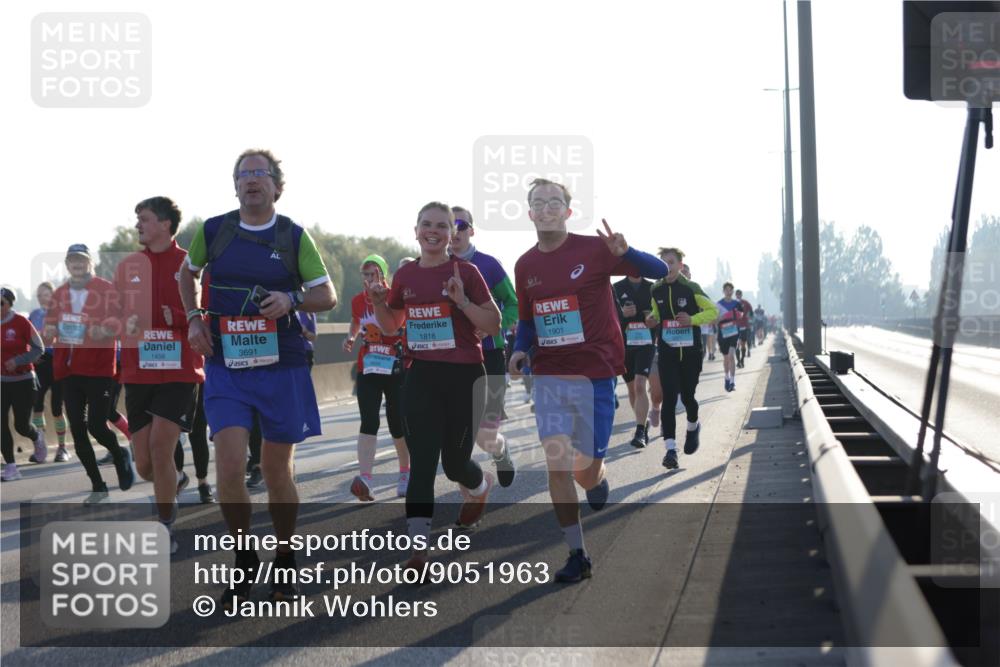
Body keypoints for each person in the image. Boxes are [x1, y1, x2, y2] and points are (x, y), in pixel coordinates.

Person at [181, 149, 336, 607]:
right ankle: (245, 553)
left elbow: (325, 294)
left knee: (274, 469)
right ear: (234, 186)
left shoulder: (292, 235)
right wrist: (193, 317)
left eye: (260, 174)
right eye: (243, 175)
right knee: (228, 465)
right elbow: (184, 274)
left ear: (276, 186)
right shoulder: (214, 230)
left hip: (281, 363)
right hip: (226, 363)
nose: (251, 181)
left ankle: (285, 555)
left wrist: (291, 299)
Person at [508, 178, 667, 583]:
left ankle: (598, 477)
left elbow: (660, 270)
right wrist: (520, 349)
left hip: (595, 373)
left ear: (567, 210)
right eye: (538, 202)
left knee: (584, 471)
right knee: (557, 466)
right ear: (529, 213)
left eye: (554, 201)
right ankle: (577, 554)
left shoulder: (596, 250)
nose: (546, 208)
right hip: (550, 376)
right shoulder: (525, 265)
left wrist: (627, 253)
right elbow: (528, 321)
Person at [367, 201, 500, 573]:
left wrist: (462, 301)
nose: (434, 231)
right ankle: (419, 551)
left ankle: (478, 485)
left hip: (464, 377)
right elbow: (392, 324)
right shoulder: (406, 274)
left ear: (451, 234)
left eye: (442, 225)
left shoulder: (467, 271)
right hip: (421, 375)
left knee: (455, 463)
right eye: (427, 224)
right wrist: (380, 303)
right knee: (422, 464)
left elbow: (492, 324)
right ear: (416, 230)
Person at [107, 196, 205, 553]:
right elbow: (113, 314)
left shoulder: (189, 264)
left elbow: (207, 313)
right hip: (138, 372)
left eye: (144, 219)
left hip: (180, 370)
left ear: (164, 224)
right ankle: (176, 479)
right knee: (146, 463)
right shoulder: (128, 266)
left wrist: (176, 318)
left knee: (162, 449)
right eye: (137, 219)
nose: (137, 226)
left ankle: (165, 528)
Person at [46, 245, 136, 503]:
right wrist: (49, 332)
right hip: (69, 370)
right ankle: (98, 486)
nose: (77, 264)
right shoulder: (60, 293)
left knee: (97, 425)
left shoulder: (106, 289)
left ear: (89, 263)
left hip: (98, 369)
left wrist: (104, 330)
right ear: (67, 264)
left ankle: (119, 454)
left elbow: (121, 321)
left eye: (81, 260)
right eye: (72, 260)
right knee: (77, 428)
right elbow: (51, 324)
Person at [449, 206, 519, 486]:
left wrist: (494, 325)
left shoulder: (489, 265)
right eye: (449, 226)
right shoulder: (434, 267)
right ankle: (472, 492)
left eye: (461, 225)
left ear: (472, 230)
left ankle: (501, 452)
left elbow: (513, 304)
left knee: (486, 436)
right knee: (457, 436)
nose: (455, 232)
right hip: (452, 359)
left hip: (489, 354)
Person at [344, 254, 410, 501]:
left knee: (397, 422)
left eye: (374, 273)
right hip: (368, 367)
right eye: (365, 274)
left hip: (395, 368)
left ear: (384, 275)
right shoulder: (357, 301)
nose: (369, 279)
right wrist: (351, 337)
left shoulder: (395, 296)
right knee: (369, 420)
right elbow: (355, 320)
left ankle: (405, 472)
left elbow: (394, 325)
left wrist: (380, 300)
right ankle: (366, 479)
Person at [645, 248, 718, 469]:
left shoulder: (690, 288)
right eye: (663, 263)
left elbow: (714, 312)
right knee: (668, 398)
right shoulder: (655, 289)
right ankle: (670, 450)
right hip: (667, 351)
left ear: (680, 264)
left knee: (688, 397)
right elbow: (656, 314)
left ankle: (693, 427)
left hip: (691, 353)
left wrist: (693, 319)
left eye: (671, 262)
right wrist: (651, 319)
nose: (667, 267)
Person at [2, 287, 47, 480]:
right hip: (1, 382)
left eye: (1, 302)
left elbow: (40, 349)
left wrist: (18, 360)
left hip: (24, 380)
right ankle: (11, 467)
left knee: (21, 425)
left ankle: (37, 437)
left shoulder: (21, 322)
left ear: (10, 304)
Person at [612, 274, 655, 448]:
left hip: (646, 343)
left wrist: (652, 319)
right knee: (631, 389)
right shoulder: (616, 287)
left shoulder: (652, 287)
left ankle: (639, 431)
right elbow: (609, 316)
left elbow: (660, 314)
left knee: (639, 385)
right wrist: (622, 314)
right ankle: (643, 423)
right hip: (625, 343)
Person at [29, 282, 70, 461]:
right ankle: (41, 448)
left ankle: (62, 448)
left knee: (56, 407)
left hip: (58, 361)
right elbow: (27, 338)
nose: (41, 297)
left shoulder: (61, 314)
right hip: (40, 363)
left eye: (44, 294)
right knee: (37, 406)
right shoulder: (34, 315)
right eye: (39, 294)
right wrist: (31, 354)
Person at [716, 283, 741, 392]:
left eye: (730, 290)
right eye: (726, 290)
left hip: (734, 333)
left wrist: (736, 315)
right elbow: (715, 320)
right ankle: (726, 377)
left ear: (732, 291)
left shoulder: (737, 303)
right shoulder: (718, 304)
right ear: (723, 291)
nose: (728, 292)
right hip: (723, 334)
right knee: (726, 358)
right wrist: (725, 316)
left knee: (731, 356)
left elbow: (741, 316)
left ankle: (732, 381)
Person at [734, 289, 753, 366]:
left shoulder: (745, 303)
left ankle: (742, 360)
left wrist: (749, 317)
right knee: (736, 345)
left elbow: (751, 312)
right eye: (737, 295)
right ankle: (738, 361)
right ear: (735, 295)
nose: (738, 296)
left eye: (739, 295)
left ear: (741, 295)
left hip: (744, 326)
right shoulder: (733, 303)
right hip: (735, 327)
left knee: (743, 344)